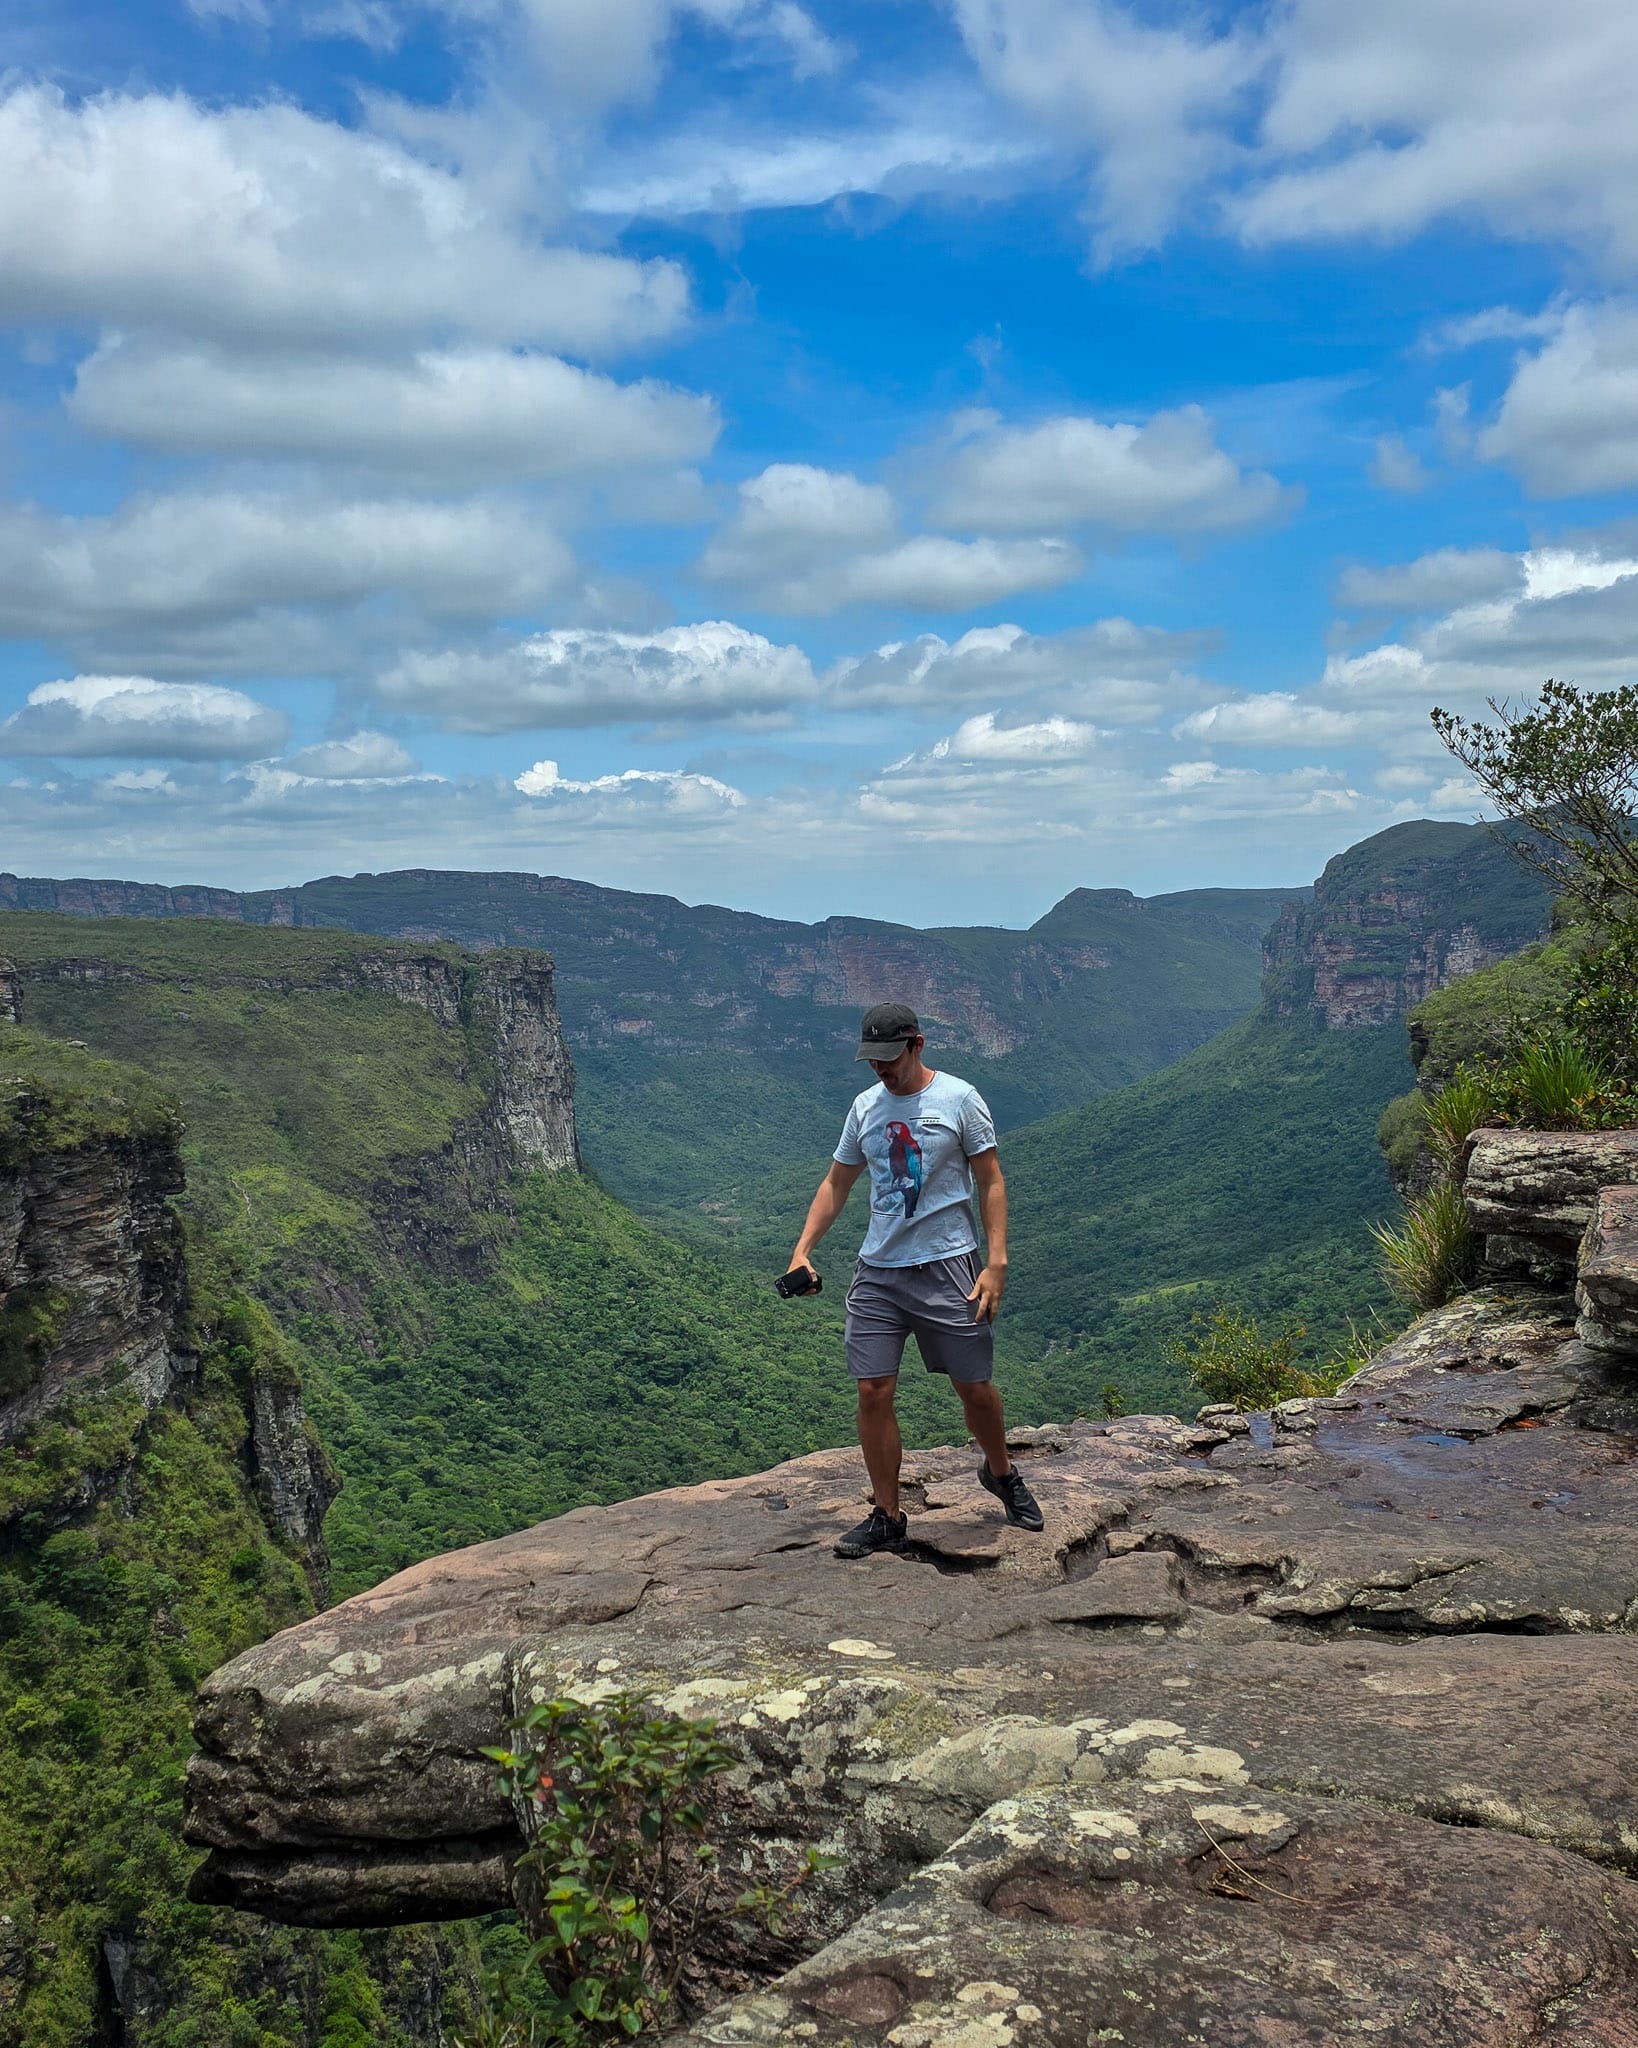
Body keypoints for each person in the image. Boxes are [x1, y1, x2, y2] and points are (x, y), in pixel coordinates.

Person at [786, 1000, 1045, 1558]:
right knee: (873, 1390)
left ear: (917, 1044)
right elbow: (838, 1183)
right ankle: (887, 1514)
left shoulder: (958, 1098)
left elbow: (991, 1180)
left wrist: (996, 1263)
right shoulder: (865, 1108)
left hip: (950, 1262)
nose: (881, 1068)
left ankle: (1000, 1471)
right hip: (878, 1271)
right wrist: (801, 1250)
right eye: (872, 1059)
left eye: (890, 1056)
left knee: (973, 1388)